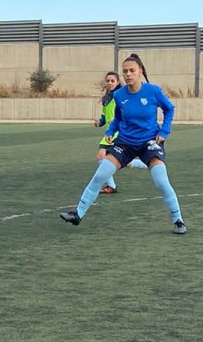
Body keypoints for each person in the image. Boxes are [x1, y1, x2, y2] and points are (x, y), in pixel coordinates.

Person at [61, 54, 187, 234]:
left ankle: (178, 220)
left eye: (132, 70)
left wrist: (164, 131)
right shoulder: (119, 95)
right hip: (125, 142)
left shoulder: (153, 91)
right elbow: (118, 118)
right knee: (100, 174)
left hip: (150, 141)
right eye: (125, 71)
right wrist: (110, 132)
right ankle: (77, 214)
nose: (128, 74)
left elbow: (169, 109)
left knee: (161, 181)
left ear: (140, 72)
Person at [93, 71, 147, 194]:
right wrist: (99, 123)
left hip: (118, 131)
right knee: (123, 161)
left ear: (117, 82)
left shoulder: (121, 95)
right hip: (110, 132)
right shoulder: (106, 98)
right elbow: (104, 117)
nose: (110, 83)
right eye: (108, 81)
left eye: (112, 81)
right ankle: (148, 163)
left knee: (101, 156)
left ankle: (111, 186)